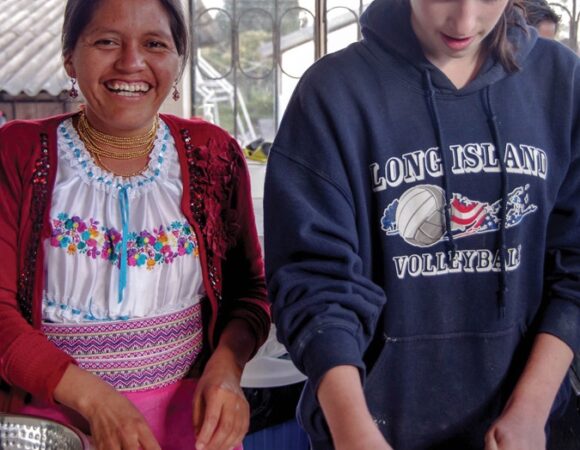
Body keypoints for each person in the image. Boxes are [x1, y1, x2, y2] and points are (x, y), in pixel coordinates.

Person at [264, 0, 579, 449]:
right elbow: (314, 282)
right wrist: (354, 431)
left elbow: (574, 265)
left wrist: (531, 410)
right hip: (365, 427)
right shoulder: (335, 92)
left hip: (527, 428)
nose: (464, 21)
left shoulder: (561, 83)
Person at [0, 0, 270, 449]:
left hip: (193, 424)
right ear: (70, 57)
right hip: (55, 426)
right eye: (106, 41)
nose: (131, 62)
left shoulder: (214, 153)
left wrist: (227, 366)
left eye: (154, 43)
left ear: (178, 61)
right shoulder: (17, 153)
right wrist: (96, 400)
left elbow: (251, 292)